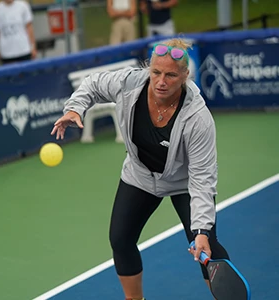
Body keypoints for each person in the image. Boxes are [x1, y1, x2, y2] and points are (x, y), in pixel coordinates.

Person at [51, 38, 230, 300]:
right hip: (140, 176)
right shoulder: (129, 84)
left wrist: (201, 232)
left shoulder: (198, 118)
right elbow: (92, 84)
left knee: (208, 247)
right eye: (156, 72)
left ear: (184, 75)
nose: (161, 81)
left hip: (184, 183)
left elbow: (202, 179)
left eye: (170, 75)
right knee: (121, 240)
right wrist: (75, 108)